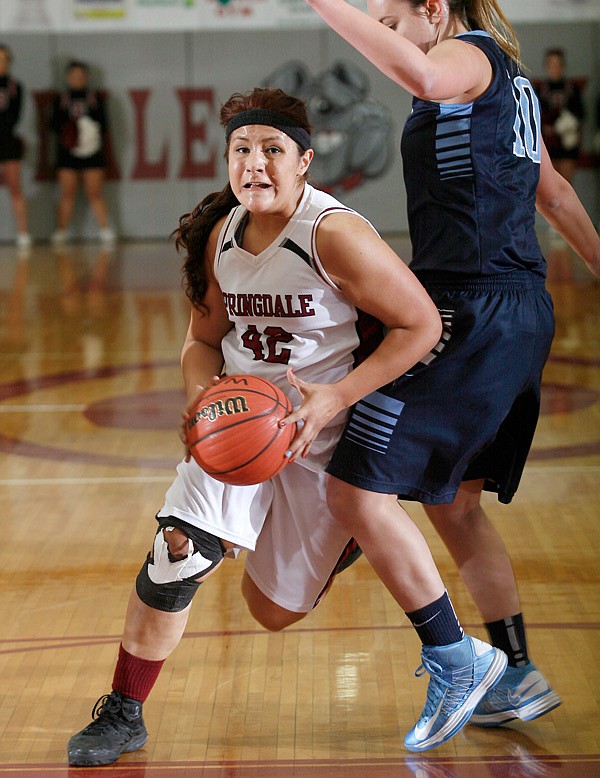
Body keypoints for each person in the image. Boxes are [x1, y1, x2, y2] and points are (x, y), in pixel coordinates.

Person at [67, 86, 507, 767]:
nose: (255, 164)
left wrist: (336, 397)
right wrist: (198, 397)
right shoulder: (223, 236)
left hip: (319, 438)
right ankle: (123, 713)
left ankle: (346, 541)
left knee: (270, 611)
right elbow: (202, 340)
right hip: (240, 425)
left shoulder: (332, 233)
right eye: (241, 150)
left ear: (305, 161)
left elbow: (419, 325)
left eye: (272, 150)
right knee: (175, 553)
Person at [299, 0, 600, 748]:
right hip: (515, 308)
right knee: (457, 506)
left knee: (352, 482)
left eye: (393, 20)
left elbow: (425, 71)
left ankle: (454, 658)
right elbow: (554, 192)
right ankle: (517, 672)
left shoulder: (471, 57)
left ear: (434, 10)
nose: (390, 35)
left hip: (471, 314)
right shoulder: (514, 86)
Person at [50, 60, 115, 245]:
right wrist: (70, 134)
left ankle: (105, 229)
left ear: (86, 78)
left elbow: (103, 125)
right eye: (73, 76)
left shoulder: (94, 99)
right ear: (67, 78)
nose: (77, 80)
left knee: (95, 192)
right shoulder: (61, 99)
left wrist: (88, 134)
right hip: (67, 153)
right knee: (67, 193)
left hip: (92, 152)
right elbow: (54, 125)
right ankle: (61, 232)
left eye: (80, 76)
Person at [536, 48, 585, 186]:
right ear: (546, 66)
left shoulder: (571, 88)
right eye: (551, 64)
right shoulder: (541, 89)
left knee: (565, 184)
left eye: (558, 65)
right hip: (548, 144)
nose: (554, 69)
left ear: (563, 66)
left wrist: (568, 125)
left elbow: (580, 114)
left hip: (566, 144)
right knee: (550, 186)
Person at [0, 44, 31, 251]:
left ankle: (23, 233)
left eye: (3, 60)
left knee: (15, 188)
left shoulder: (14, 87)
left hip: (6, 141)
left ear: (9, 63)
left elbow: (14, 117)